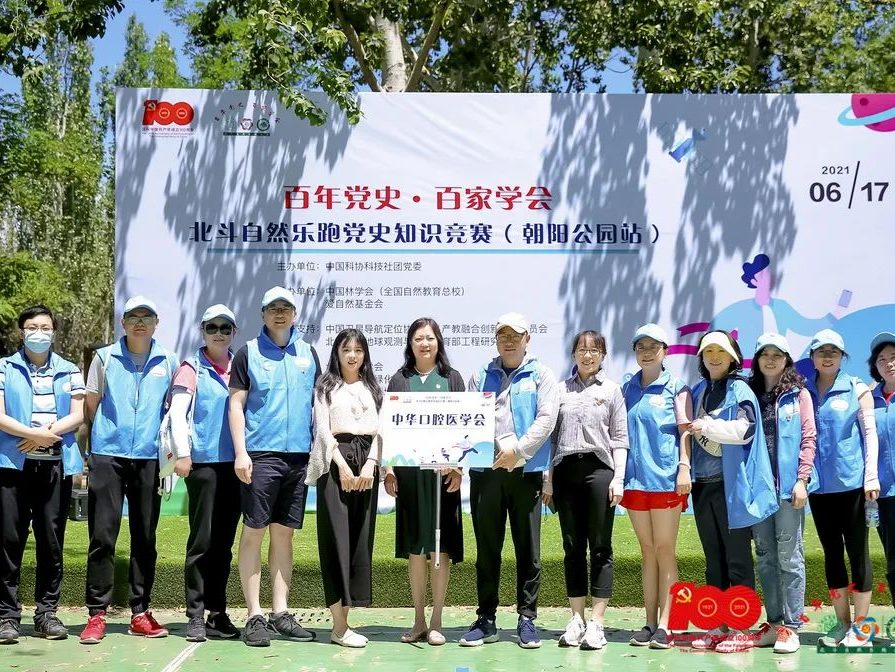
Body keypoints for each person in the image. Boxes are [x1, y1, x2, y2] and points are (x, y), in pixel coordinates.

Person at [80, 296, 178, 645]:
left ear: (156, 323)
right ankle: (96, 614)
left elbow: (172, 409)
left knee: (145, 537)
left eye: (146, 317)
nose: (139, 323)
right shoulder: (104, 358)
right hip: (108, 455)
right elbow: (91, 405)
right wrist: (100, 443)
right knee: (102, 535)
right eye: (133, 317)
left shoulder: (169, 360)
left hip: (149, 458)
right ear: (122, 323)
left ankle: (140, 612)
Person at [460, 312, 559, 649]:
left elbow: (546, 419)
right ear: (496, 340)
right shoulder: (480, 375)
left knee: (528, 549)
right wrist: (495, 451)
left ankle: (527, 618)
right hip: (487, 471)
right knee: (487, 549)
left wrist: (517, 450)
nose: (509, 341)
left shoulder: (542, 375)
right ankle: (486, 619)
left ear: (527, 338)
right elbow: (471, 419)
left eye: (515, 335)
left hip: (525, 472)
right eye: (503, 335)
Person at [229, 286, 320, 647]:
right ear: (263, 315)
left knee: (284, 534)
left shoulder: (308, 353)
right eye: (273, 308)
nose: (280, 314)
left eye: (286, 308)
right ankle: (254, 615)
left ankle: (280, 612)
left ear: (295, 315)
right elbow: (236, 405)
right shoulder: (248, 353)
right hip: (260, 456)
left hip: (298, 457)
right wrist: (241, 452)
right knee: (254, 531)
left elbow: (317, 406)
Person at [686, 330, 777, 653]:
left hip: (731, 487)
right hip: (702, 487)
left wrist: (707, 426)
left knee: (737, 560)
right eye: (708, 351)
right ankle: (718, 626)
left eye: (720, 352)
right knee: (714, 560)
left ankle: (741, 628)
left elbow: (745, 429)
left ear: (733, 357)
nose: (714, 357)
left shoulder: (739, 388)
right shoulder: (698, 390)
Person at [0, 306, 85, 644]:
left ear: (54, 331)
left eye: (45, 327)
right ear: (21, 332)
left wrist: (47, 433)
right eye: (32, 327)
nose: (39, 332)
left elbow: (78, 414)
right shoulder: (4, 367)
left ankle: (46, 613)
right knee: (9, 540)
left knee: (51, 541)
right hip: (12, 466)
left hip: (55, 466)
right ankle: (6, 616)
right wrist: (33, 435)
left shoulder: (70, 369)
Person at [383, 318, 465, 646]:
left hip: (442, 478)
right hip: (410, 477)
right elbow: (388, 428)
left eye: (430, 338)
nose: (425, 344)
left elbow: (465, 428)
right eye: (418, 338)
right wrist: (389, 469)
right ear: (410, 343)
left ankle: (437, 620)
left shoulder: (452, 378)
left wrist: (458, 468)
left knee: (440, 548)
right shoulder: (399, 380)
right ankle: (418, 619)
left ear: (438, 342)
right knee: (416, 549)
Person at [543, 330, 628, 651]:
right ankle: (576, 619)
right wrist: (549, 478)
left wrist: (618, 479)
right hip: (565, 471)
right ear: (573, 354)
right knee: (572, 546)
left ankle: (597, 622)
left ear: (603, 355)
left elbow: (620, 439)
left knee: (600, 546)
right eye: (581, 349)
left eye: (594, 350)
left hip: (599, 471)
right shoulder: (560, 390)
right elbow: (552, 439)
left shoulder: (612, 391)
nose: (587, 355)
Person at [169, 305, 241, 642]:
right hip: (203, 465)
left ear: (234, 333)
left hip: (235, 466)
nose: (219, 333)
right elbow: (177, 414)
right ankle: (195, 614)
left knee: (224, 544)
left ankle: (217, 612)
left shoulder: (240, 367)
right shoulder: (191, 368)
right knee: (201, 542)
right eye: (212, 327)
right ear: (203, 331)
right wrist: (183, 454)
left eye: (225, 328)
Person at [306, 329, 382, 648]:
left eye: (358, 350)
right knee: (336, 541)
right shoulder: (325, 387)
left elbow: (381, 430)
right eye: (346, 349)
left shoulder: (374, 388)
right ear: (336, 353)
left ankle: (346, 622)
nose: (352, 355)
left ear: (365, 355)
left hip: (367, 468)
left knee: (359, 541)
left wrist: (370, 464)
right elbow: (323, 431)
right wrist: (341, 465)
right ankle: (339, 627)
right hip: (334, 465)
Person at [806, 329, 879, 647]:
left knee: (858, 553)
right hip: (818, 489)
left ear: (842, 357)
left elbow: (870, 435)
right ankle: (842, 623)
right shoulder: (804, 391)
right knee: (832, 554)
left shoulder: (857, 388)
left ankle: (861, 627)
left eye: (833, 352)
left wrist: (871, 477)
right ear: (812, 357)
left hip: (852, 486)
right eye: (821, 351)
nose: (827, 357)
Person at [620, 324, 692, 650]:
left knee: (664, 549)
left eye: (653, 346)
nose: (647, 352)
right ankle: (650, 622)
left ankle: (668, 624)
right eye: (641, 347)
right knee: (647, 550)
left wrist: (684, 468)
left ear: (665, 351)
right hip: (635, 481)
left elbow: (685, 432)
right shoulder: (627, 388)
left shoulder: (677, 388)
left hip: (666, 481)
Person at [748, 333, 817, 654]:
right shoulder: (748, 393)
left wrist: (802, 479)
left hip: (789, 490)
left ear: (787, 360)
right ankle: (774, 622)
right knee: (765, 557)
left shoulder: (799, 394)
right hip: (758, 492)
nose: (771, 360)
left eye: (777, 354)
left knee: (790, 557)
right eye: (765, 354)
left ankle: (791, 627)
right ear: (757, 359)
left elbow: (808, 439)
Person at [868, 331, 895, 609]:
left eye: (894, 357)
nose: (889, 363)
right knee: (894, 560)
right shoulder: (868, 400)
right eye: (882, 359)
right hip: (884, 494)